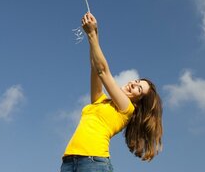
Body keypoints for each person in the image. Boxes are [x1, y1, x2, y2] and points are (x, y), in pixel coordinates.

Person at [60, 12, 163, 172]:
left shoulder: (126, 109)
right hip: (68, 162)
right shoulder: (99, 100)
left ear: (139, 101)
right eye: (136, 81)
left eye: (138, 88)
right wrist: (95, 33)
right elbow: (95, 67)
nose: (133, 84)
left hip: (93, 163)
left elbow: (103, 72)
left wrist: (92, 34)